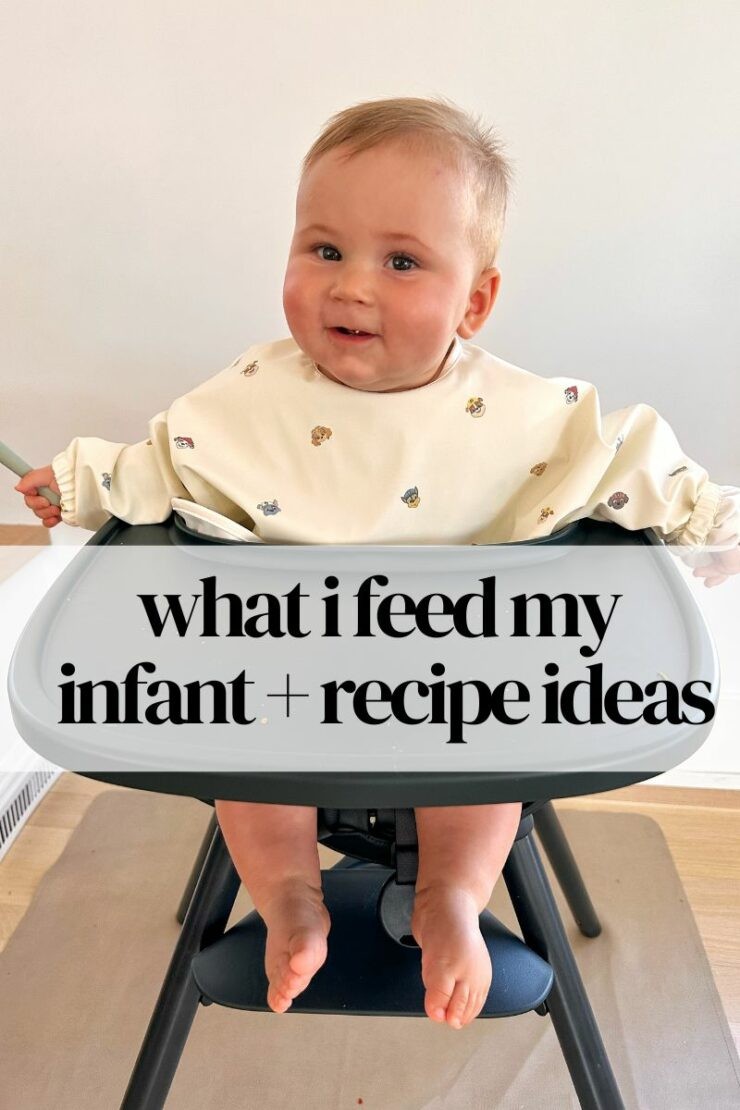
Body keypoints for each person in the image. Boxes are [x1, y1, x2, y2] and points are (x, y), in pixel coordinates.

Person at [16, 98, 740, 1028]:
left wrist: (709, 521)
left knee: (486, 769)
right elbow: (161, 464)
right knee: (244, 762)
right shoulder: (251, 395)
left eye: (400, 262)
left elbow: (626, 458)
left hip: (458, 677)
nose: (351, 287)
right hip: (282, 673)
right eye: (324, 251)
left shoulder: (523, 415)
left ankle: (450, 898)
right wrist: (81, 483)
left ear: (474, 300)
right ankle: (287, 899)